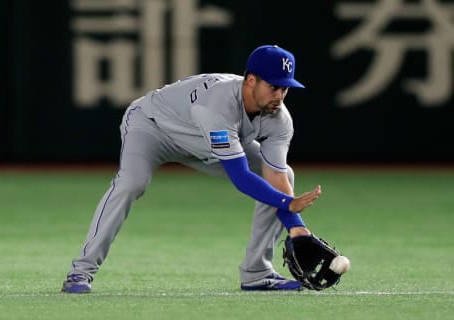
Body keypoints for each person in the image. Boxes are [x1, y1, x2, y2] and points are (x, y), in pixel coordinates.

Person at [61, 45, 322, 293]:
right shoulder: (218, 105)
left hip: (204, 143)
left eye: (285, 88)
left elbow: (276, 177)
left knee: (284, 175)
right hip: (153, 128)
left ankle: (257, 273)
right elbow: (241, 178)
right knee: (131, 183)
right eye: (273, 86)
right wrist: (287, 205)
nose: (279, 95)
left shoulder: (279, 119)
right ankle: (81, 271)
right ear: (251, 80)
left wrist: (296, 228)